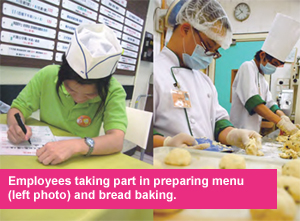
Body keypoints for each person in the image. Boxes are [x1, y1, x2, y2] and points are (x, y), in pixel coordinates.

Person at [7, 24, 127, 165]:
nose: (79, 98)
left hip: (80, 161)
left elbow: (116, 140)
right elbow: (17, 108)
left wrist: (77, 146)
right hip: (40, 155)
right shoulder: (48, 75)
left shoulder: (113, 90)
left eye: (90, 95)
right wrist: (15, 127)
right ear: (61, 74)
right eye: (71, 90)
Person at [154, 0, 261, 149]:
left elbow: (217, 121)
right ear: (185, 30)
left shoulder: (204, 80)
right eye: (209, 46)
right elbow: (139, 129)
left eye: (215, 51)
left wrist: (233, 134)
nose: (210, 56)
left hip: (203, 165)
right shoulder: (155, 73)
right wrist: (166, 143)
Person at [230, 13, 300, 135]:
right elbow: (254, 103)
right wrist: (280, 123)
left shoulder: (262, 79)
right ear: (262, 55)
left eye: (277, 65)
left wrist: (284, 117)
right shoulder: (247, 67)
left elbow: (270, 104)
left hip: (253, 132)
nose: (274, 68)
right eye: (274, 63)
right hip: (240, 132)